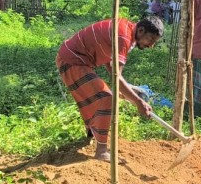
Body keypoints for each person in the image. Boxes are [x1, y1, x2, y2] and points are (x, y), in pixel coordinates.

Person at [56, 16, 163, 161]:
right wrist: (138, 102)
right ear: (141, 30)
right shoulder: (124, 37)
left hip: (77, 60)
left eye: (154, 42)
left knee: (104, 95)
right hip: (72, 60)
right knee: (106, 97)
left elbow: (110, 61)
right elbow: (116, 76)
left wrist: (126, 88)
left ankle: (94, 135)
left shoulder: (127, 30)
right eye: (150, 40)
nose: (150, 45)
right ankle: (101, 151)